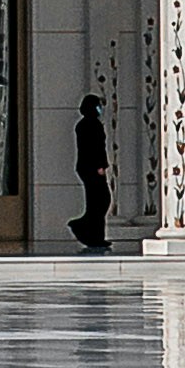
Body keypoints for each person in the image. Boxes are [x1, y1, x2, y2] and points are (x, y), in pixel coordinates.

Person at [72, 84, 113, 251]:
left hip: (86, 167)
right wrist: (100, 166)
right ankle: (87, 230)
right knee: (100, 201)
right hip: (91, 168)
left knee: (98, 202)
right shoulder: (91, 125)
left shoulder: (84, 124)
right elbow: (95, 148)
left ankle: (95, 235)